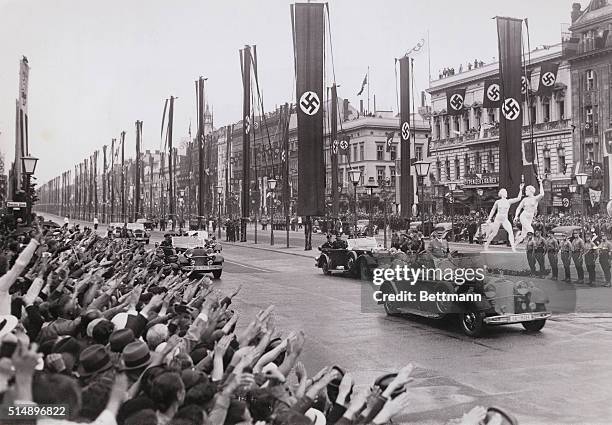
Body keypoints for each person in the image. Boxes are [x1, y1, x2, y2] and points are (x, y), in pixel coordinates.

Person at [484, 184, 524, 252]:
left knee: (510, 232)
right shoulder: (498, 202)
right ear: (502, 194)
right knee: (494, 233)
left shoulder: (509, 201)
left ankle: (513, 248)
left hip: (505, 219)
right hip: (498, 218)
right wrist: (489, 218)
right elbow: (493, 210)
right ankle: (486, 244)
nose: (506, 193)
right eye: (505, 192)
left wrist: (520, 189)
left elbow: (518, 198)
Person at [514, 177, 545, 246]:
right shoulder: (524, 199)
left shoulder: (535, 199)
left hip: (530, 217)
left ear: (530, 191)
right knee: (530, 230)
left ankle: (514, 245)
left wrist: (540, 183)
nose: (525, 192)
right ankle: (534, 244)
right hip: (524, 216)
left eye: (526, 190)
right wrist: (516, 216)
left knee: (523, 235)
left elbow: (542, 194)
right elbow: (518, 208)